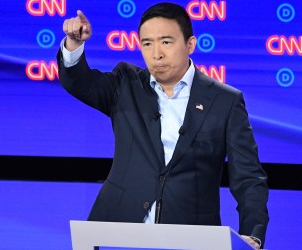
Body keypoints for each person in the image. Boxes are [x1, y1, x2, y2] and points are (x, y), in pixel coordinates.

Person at [57, 2, 269, 249]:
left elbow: (249, 178)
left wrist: (252, 234)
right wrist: (74, 44)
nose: (156, 53)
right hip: (115, 233)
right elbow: (78, 82)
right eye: (147, 44)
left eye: (166, 42)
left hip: (191, 238)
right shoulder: (125, 84)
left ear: (190, 44)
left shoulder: (225, 101)